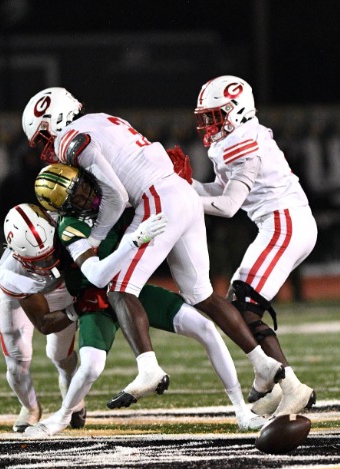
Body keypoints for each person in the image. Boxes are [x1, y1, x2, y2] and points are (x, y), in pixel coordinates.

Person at [21, 88, 285, 411]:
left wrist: (94, 238)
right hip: (181, 194)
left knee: (119, 288)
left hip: (158, 199)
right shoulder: (102, 119)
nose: (47, 146)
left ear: (54, 121)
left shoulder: (69, 139)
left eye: (44, 136)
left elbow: (117, 196)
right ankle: (262, 363)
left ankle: (148, 369)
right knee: (202, 294)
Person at [23, 164, 266, 437]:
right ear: (64, 208)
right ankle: (62, 416)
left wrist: (172, 180)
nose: (86, 196)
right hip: (96, 300)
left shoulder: (109, 194)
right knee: (91, 366)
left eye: (83, 186)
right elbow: (98, 276)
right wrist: (132, 241)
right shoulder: (71, 226)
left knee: (205, 327)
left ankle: (242, 412)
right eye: (76, 197)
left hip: (129, 290)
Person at [184, 75, 317, 417]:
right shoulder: (234, 140)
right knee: (238, 303)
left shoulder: (243, 142)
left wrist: (180, 198)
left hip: (284, 222)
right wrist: (184, 184)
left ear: (237, 111)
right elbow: (220, 190)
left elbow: (228, 206)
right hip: (281, 222)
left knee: (243, 306)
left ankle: (287, 384)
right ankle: (278, 383)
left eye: (215, 116)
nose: (209, 124)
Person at [0, 202, 166, 432]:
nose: (49, 264)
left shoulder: (66, 225)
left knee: (60, 355)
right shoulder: (12, 273)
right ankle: (30, 408)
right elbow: (44, 323)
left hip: (62, 286)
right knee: (17, 363)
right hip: (25, 294)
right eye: (40, 261)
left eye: (50, 254)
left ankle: (70, 389)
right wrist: (78, 308)